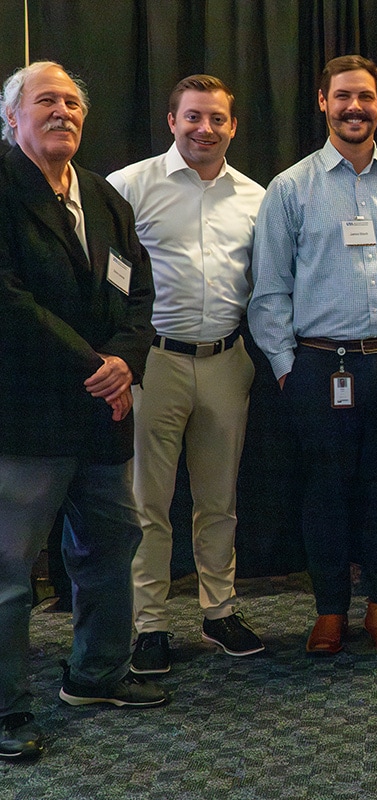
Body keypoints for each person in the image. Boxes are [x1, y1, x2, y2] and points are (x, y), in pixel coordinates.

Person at [247, 55, 377, 657]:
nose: (354, 107)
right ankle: (330, 611)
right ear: (322, 103)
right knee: (326, 492)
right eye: (342, 97)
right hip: (320, 366)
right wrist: (287, 365)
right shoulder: (291, 187)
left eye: (365, 97)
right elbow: (269, 288)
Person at [1, 61, 168, 762]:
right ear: (11, 118)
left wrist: (126, 359)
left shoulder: (103, 197)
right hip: (27, 418)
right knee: (10, 574)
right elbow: (8, 300)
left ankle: (96, 675)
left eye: (72, 101)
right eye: (46, 101)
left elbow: (139, 294)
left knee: (110, 547)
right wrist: (92, 366)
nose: (63, 111)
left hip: (104, 415)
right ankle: (7, 711)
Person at [108, 74, 267, 675]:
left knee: (219, 499)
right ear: (172, 121)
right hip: (154, 364)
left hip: (227, 361)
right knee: (148, 502)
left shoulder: (256, 197)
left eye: (217, 119)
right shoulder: (129, 187)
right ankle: (148, 623)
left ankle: (219, 610)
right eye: (193, 117)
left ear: (233, 126)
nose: (206, 129)